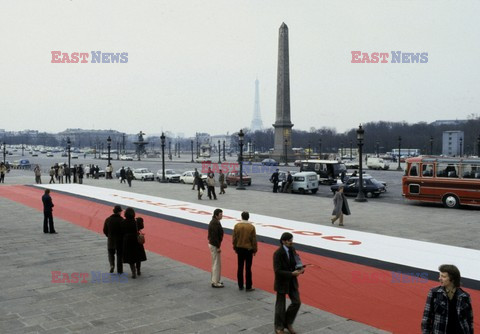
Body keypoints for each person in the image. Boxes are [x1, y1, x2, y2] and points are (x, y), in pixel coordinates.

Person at [421, 264, 473, 334]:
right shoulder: (434, 293)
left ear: (452, 279)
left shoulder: (465, 296)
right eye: (440, 276)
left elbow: (469, 320)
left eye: (443, 276)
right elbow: (426, 317)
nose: (439, 278)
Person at [273, 232, 305, 334]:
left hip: (292, 281)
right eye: (290, 240)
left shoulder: (292, 249)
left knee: (297, 302)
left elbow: (297, 261)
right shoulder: (278, 253)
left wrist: (300, 268)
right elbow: (277, 271)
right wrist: (291, 273)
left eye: (292, 240)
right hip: (282, 282)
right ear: (283, 241)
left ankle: (287, 322)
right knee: (280, 306)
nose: (292, 242)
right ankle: (279, 327)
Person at [232, 211, 257, 291]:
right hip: (248, 249)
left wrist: (235, 247)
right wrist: (255, 249)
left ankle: (240, 285)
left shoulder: (237, 226)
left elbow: (234, 238)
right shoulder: (251, 227)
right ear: (248, 217)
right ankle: (248, 286)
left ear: (241, 217)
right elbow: (253, 240)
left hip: (239, 248)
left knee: (240, 267)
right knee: (248, 268)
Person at [122, 207, 145, 279]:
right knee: (137, 256)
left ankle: (133, 271)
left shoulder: (123, 222)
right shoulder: (136, 222)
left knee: (130, 257)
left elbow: (121, 231)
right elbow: (142, 226)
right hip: (136, 239)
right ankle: (138, 270)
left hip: (127, 240)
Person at [103, 205, 124, 274]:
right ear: (119, 212)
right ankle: (119, 270)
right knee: (119, 255)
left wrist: (108, 236)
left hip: (111, 240)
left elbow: (105, 230)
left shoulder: (108, 219)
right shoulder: (122, 220)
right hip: (119, 240)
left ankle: (112, 265)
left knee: (111, 253)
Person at [208, 209, 224, 288]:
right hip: (214, 245)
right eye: (221, 214)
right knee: (216, 264)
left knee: (216, 263)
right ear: (216, 215)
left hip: (213, 244)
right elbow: (214, 236)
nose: (222, 216)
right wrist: (218, 247)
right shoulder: (215, 223)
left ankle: (216, 279)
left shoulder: (215, 221)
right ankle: (215, 282)